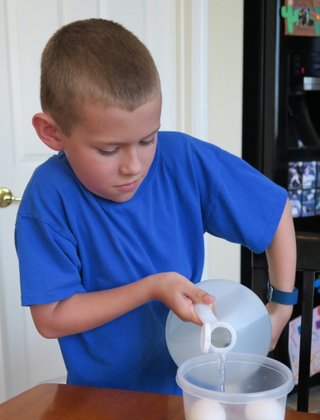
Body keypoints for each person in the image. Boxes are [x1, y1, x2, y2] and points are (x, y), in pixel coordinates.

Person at [15, 18, 297, 395]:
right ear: (52, 133)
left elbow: (273, 211)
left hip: (189, 392)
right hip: (95, 402)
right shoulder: (48, 198)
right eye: (109, 149)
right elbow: (50, 318)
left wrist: (282, 304)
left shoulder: (183, 159)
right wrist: (151, 288)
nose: (134, 166)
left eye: (148, 139)